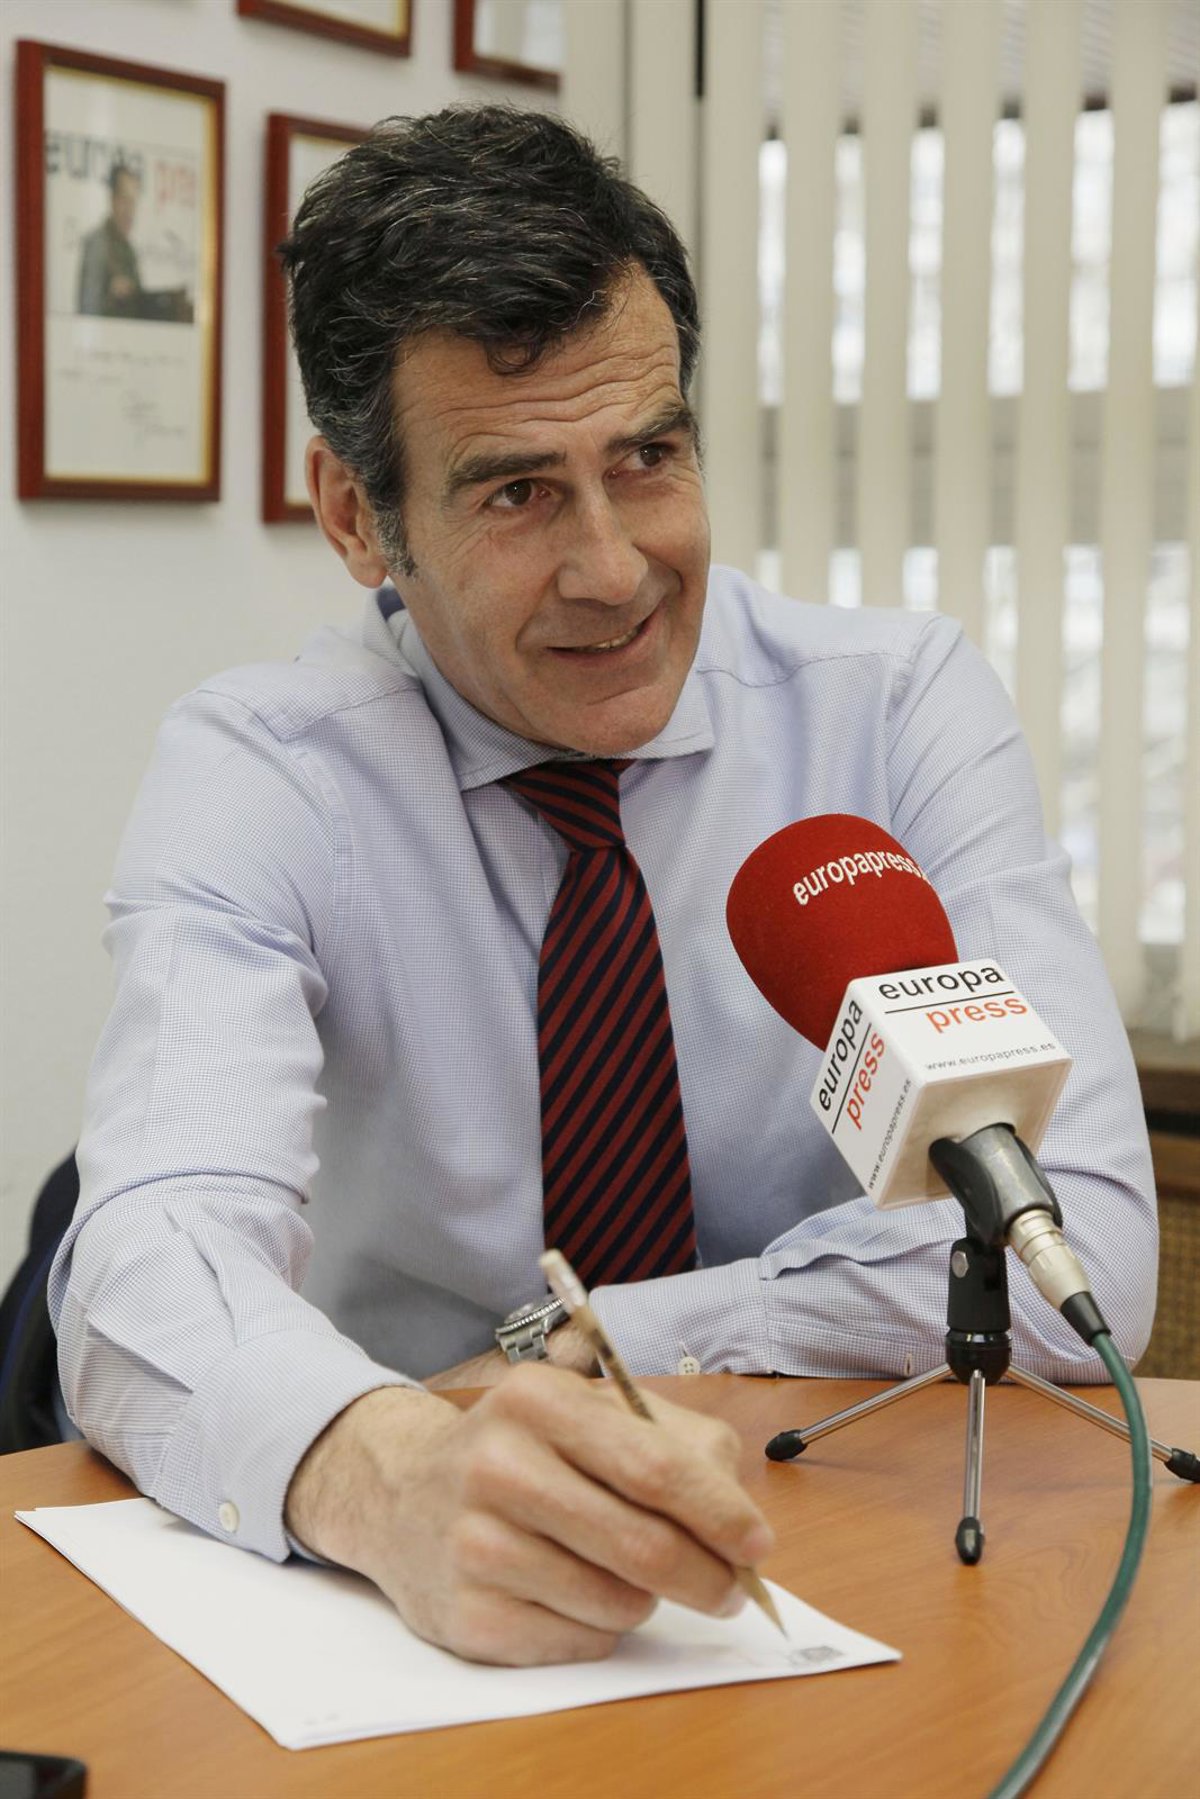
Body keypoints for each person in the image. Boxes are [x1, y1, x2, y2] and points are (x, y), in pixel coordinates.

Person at [51, 105, 1155, 1667]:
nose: (617, 568)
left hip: (825, 1531)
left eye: (648, 457)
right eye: (516, 491)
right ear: (359, 515)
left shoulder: (894, 713)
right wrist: (386, 1466)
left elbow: (1075, 1240)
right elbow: (146, 1260)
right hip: (414, 1590)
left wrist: (603, 1339)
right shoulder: (267, 773)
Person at [76, 162, 146, 318]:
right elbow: (87, 309)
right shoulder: (98, 242)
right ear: (112, 199)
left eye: (133, 202)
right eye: (124, 200)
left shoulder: (129, 249)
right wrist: (110, 293)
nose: (129, 211)